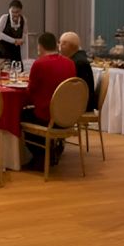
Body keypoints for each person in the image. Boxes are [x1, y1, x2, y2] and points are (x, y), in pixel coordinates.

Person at [20, 32, 77, 171]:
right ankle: (52, 149)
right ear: (56, 45)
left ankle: (40, 155)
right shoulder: (70, 63)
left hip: (47, 117)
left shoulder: (39, 64)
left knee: (20, 114)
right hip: (67, 117)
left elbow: (30, 92)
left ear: (40, 47)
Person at [59, 31, 96, 111]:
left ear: (71, 46)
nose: (60, 47)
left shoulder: (78, 63)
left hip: (82, 105)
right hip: (82, 101)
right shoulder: (78, 58)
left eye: (63, 44)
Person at [0, 0, 26, 65]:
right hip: (3, 52)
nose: (15, 14)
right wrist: (14, 41)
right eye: (12, 12)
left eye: (17, 12)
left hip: (17, 53)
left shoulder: (24, 19)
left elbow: (25, 34)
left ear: (20, 11)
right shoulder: (4, 18)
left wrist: (22, 40)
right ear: (9, 11)